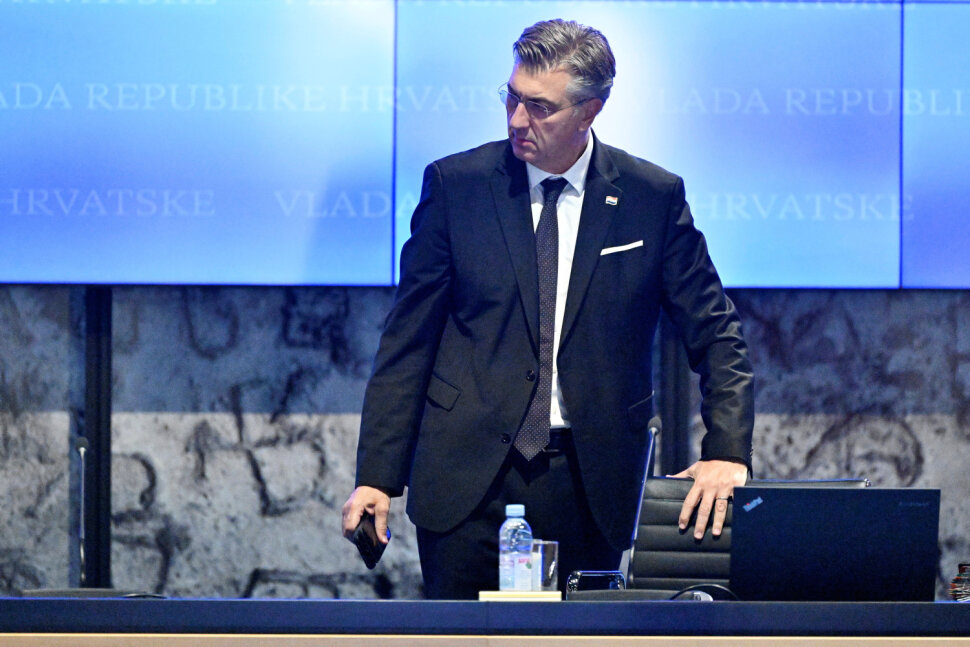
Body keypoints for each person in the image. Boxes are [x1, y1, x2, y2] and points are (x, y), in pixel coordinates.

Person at [342, 18, 754, 600]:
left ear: (590, 110)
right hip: (466, 482)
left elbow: (717, 335)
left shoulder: (651, 198)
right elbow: (407, 342)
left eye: (539, 107)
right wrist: (377, 477)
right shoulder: (457, 186)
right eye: (511, 97)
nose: (516, 119)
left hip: (590, 483)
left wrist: (727, 452)